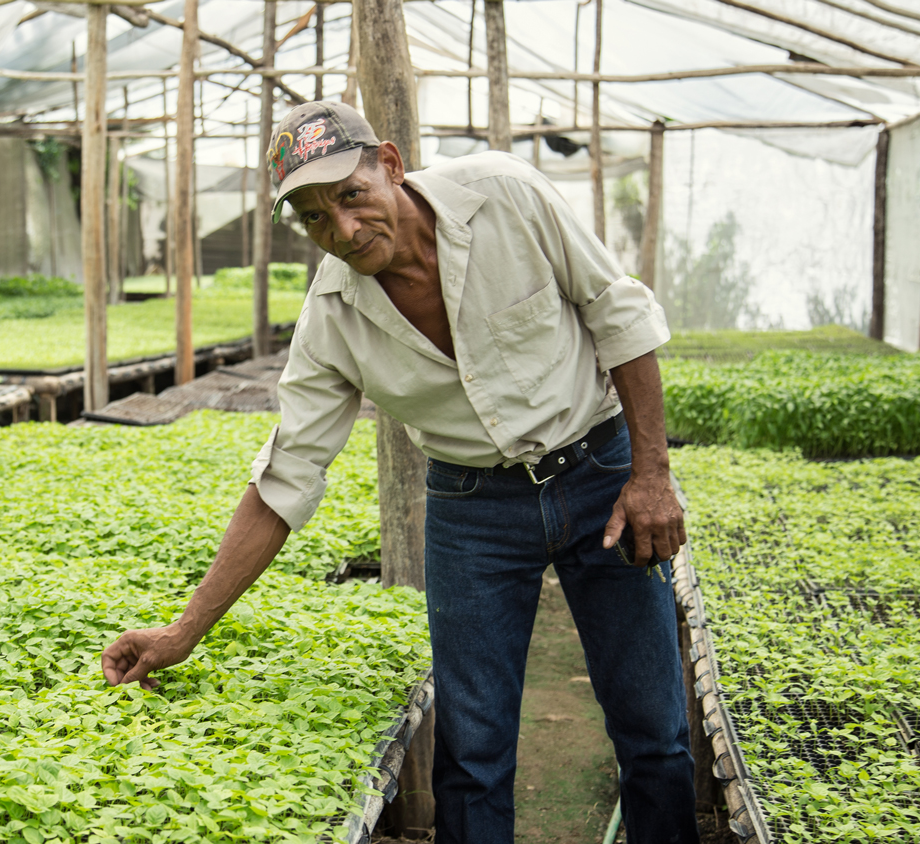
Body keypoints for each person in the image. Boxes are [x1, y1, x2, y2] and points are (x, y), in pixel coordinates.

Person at [101, 101, 699, 844]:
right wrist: (183, 631)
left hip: (599, 470)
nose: (343, 232)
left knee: (654, 731)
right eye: (315, 220)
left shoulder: (506, 195)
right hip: (473, 508)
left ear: (389, 164)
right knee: (473, 753)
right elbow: (286, 478)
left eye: (351, 196)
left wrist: (651, 475)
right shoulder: (333, 317)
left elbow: (619, 315)